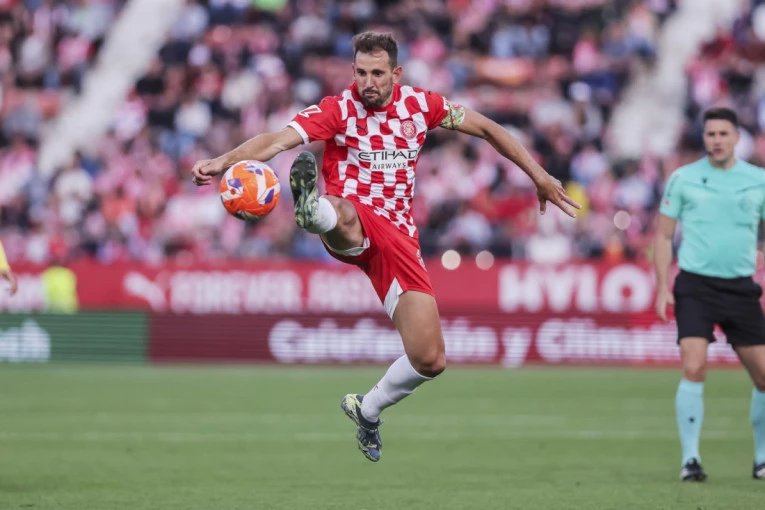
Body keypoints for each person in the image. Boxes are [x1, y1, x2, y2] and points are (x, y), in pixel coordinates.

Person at [192, 31, 580, 462]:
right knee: (343, 212)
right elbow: (276, 139)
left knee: (430, 359)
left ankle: (368, 409)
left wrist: (539, 176)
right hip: (352, 219)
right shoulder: (338, 109)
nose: (368, 82)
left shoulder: (423, 106)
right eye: (360, 73)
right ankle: (311, 209)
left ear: (397, 73)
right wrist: (222, 162)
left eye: (377, 73)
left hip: (398, 239)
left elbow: (488, 128)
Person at [654, 107, 765, 481]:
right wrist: (662, 287)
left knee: (764, 376)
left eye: (723, 134)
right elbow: (663, 236)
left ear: (736, 138)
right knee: (694, 366)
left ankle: (762, 459)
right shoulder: (683, 178)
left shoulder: (758, 180)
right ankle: (691, 460)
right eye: (710, 134)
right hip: (695, 286)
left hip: (740, 288)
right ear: (703, 138)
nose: (716, 140)